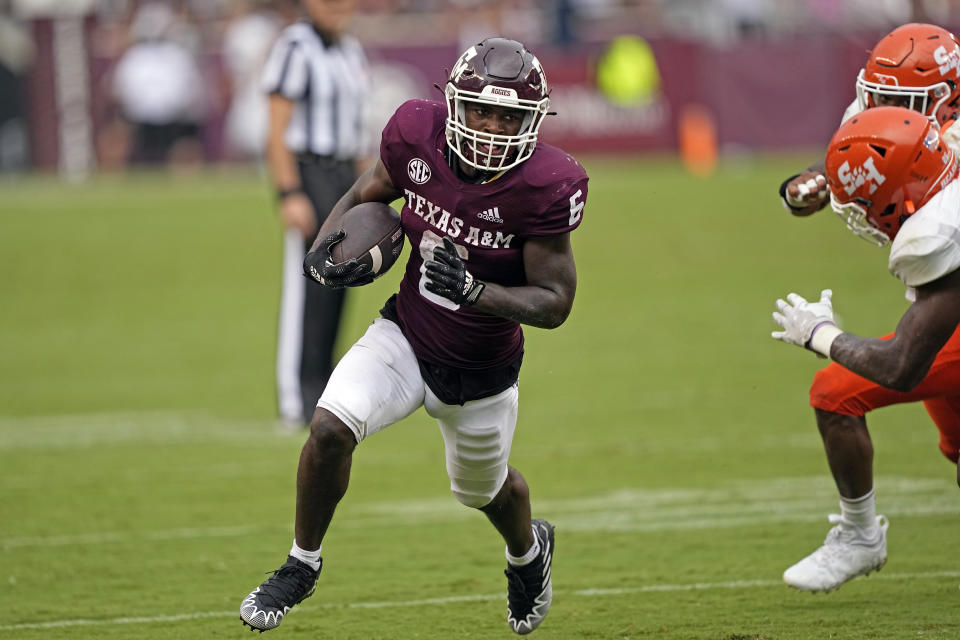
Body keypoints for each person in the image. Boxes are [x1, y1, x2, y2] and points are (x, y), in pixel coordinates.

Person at [240, 37, 588, 634]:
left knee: (483, 493)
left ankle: (528, 553)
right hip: (406, 335)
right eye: (481, 109)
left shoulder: (546, 185)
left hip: (481, 369)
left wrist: (475, 291)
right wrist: (324, 250)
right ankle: (301, 564)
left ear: (532, 122)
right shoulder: (414, 134)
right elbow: (366, 191)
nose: (492, 127)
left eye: (509, 116)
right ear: (454, 103)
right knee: (328, 426)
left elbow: (555, 303)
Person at [770, 105, 960, 593]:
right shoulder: (944, 151)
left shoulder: (939, 232)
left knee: (836, 389)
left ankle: (860, 537)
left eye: (871, 206)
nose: (866, 218)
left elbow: (902, 366)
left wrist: (820, 334)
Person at [260, 0, 369, 428]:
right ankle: (295, 397)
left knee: (340, 283)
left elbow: (356, 129)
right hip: (310, 170)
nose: (337, 7)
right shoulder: (294, 47)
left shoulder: (350, 50)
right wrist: (289, 191)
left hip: (345, 174)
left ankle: (323, 393)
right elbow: (276, 128)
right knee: (307, 284)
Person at [779, 22, 960, 217]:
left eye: (907, 100)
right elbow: (853, 161)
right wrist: (812, 183)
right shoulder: (867, 105)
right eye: (883, 98)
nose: (887, 112)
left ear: (948, 98)